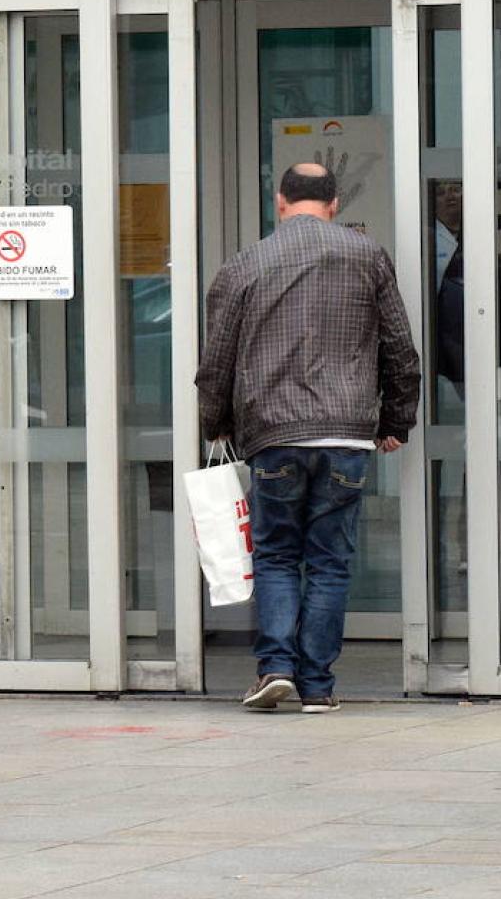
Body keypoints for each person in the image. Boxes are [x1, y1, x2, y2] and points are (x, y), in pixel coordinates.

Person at [196, 163, 421, 713]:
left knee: (275, 555)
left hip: (273, 433)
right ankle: (318, 686)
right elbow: (400, 351)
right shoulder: (368, 257)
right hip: (345, 434)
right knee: (329, 561)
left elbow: (215, 364)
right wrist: (396, 421)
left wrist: (216, 423)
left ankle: (275, 668)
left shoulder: (244, 265)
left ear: (279, 202)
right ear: (334, 203)